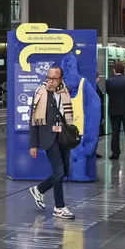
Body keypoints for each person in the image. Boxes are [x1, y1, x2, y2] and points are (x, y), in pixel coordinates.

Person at [28, 66, 76, 220]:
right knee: (59, 171)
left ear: (61, 78)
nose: (51, 81)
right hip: (48, 138)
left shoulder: (65, 92)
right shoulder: (40, 93)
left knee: (63, 172)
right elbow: (34, 120)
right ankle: (59, 207)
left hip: (63, 136)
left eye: (55, 79)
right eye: (49, 78)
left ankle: (40, 189)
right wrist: (33, 144)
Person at [105, 63, 125, 160]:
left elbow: (108, 93)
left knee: (115, 132)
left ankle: (115, 153)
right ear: (124, 70)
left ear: (114, 70)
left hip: (114, 110)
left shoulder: (109, 81)